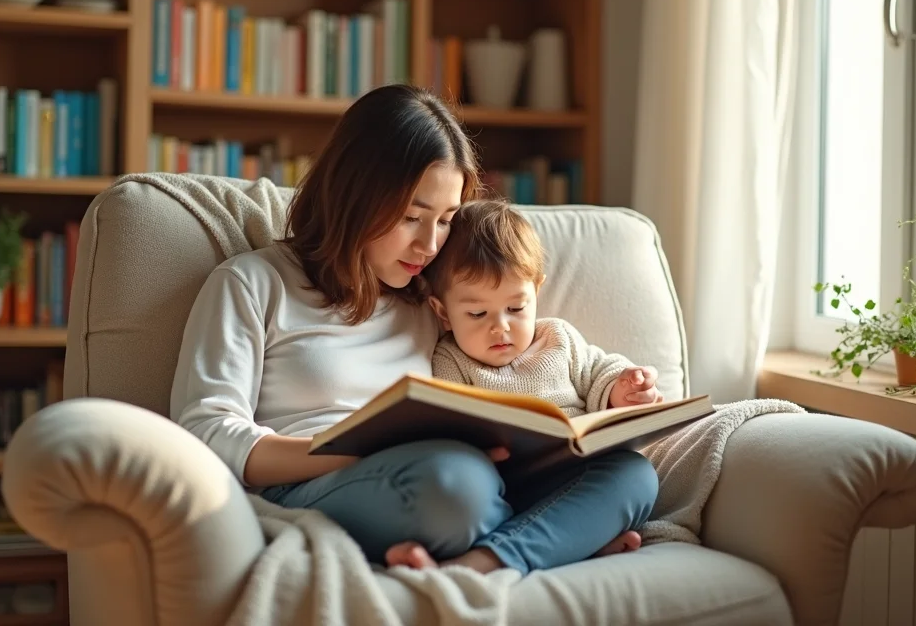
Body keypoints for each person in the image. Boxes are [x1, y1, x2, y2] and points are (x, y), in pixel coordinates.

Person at [169, 84, 662, 575]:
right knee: (454, 484)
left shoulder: (435, 300)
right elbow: (208, 431)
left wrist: (613, 392)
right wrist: (354, 454)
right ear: (354, 195)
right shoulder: (253, 282)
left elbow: (516, 341)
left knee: (633, 476)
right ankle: (560, 535)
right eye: (411, 216)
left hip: (468, 476)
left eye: (446, 220)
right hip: (323, 483)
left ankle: (480, 561)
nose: (429, 244)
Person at [386, 198, 662, 573]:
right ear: (442, 312)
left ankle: (566, 540)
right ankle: (509, 555)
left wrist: (624, 388)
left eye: (516, 308)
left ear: (536, 291)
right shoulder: (450, 360)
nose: (500, 327)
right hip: (501, 488)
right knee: (464, 498)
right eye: (477, 313)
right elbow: (446, 431)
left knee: (637, 476)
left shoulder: (558, 338)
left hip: (572, 475)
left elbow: (600, 372)